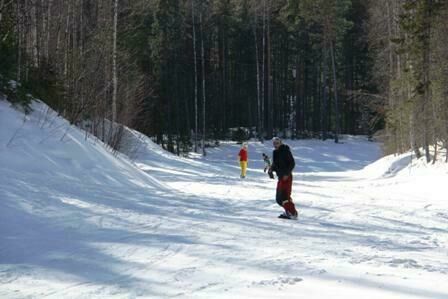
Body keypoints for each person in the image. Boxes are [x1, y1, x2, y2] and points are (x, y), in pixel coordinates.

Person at [268, 137, 298, 219]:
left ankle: (292, 213)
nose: (275, 145)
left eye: (277, 143)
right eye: (274, 143)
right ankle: (289, 211)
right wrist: (271, 169)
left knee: (284, 196)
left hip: (286, 177)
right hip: (281, 177)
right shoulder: (275, 152)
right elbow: (275, 164)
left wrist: (287, 174)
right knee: (279, 198)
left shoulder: (285, 150)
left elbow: (292, 163)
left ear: (281, 142)